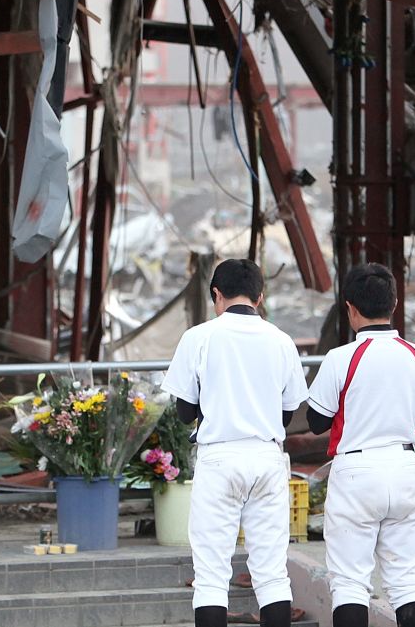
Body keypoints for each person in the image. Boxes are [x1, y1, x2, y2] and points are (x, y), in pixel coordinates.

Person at [161, 259, 309, 627]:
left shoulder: (198, 337)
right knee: (272, 573)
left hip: (219, 457)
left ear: (216, 294)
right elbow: (289, 412)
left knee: (211, 575)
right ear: (260, 296)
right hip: (267, 456)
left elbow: (183, 411)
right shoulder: (281, 341)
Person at [307, 263, 415, 627]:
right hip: (405, 468)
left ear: (349, 308)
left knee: (350, 583)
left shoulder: (341, 358)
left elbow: (317, 422)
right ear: (395, 304)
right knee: (409, 581)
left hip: (355, 472)